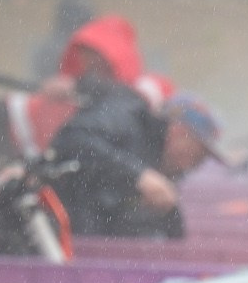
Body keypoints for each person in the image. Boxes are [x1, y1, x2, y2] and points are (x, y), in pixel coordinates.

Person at [46, 85, 221, 238]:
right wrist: (138, 176)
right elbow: (73, 139)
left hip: (83, 243)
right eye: (199, 154)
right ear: (178, 132)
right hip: (49, 223)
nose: (197, 164)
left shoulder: (161, 170)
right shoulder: (127, 116)